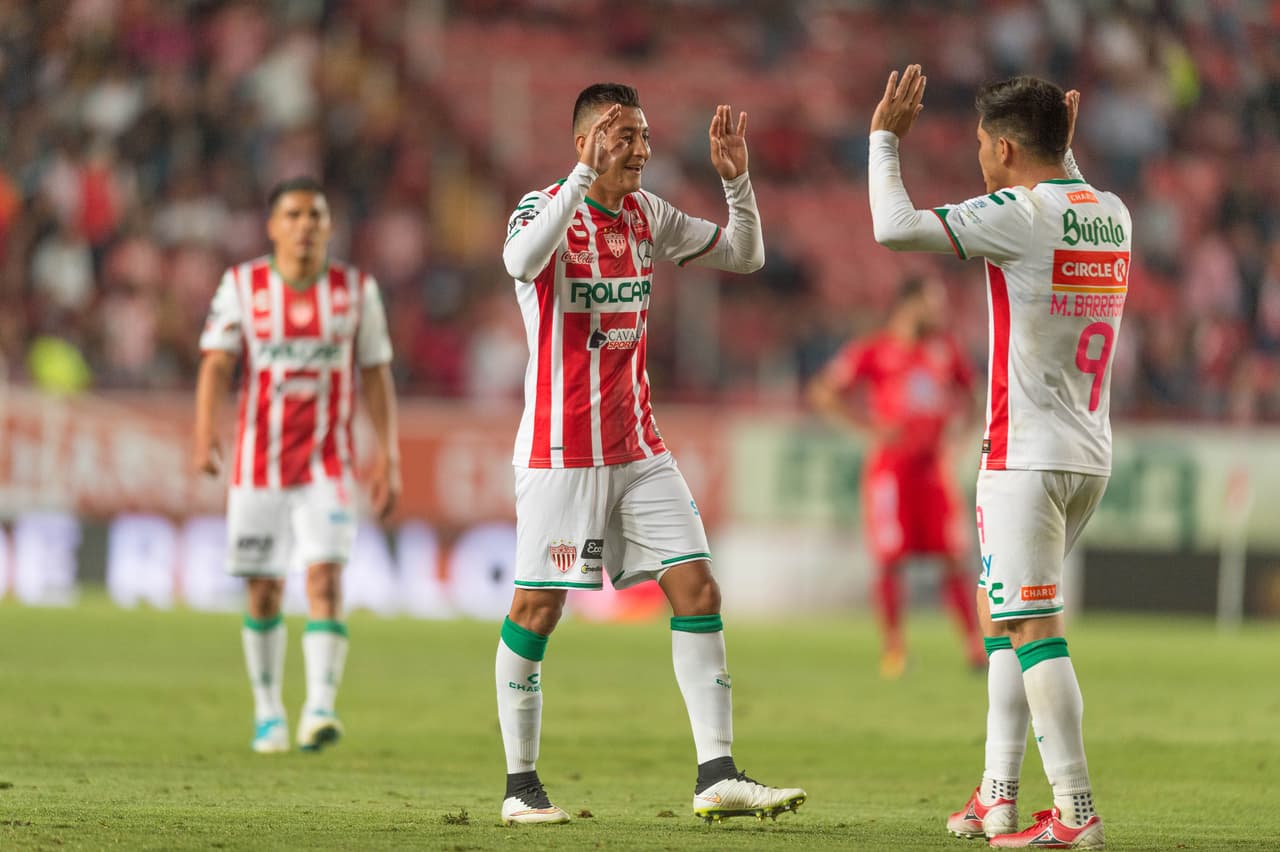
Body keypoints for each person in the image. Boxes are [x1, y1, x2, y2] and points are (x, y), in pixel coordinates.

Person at [495, 83, 806, 826]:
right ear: (583, 144)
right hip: (562, 451)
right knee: (538, 610)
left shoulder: (645, 214)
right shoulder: (543, 209)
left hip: (639, 446)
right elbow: (516, 262)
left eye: (641, 135)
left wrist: (737, 180)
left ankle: (717, 773)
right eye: (622, 136)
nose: (640, 149)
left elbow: (747, 255)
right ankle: (520, 786)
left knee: (698, 591)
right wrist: (580, 178)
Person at [868, 67, 1129, 849]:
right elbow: (1068, 190)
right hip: (1088, 454)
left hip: (1024, 459)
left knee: (1033, 625)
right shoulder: (1111, 213)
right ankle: (997, 794)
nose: (979, 156)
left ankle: (1076, 811)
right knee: (1008, 617)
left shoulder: (1015, 214)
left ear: (1008, 149)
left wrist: (884, 138)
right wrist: (1066, 149)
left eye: (984, 144)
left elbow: (893, 227)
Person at [192, 176, 401, 755]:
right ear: (272, 225)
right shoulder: (243, 284)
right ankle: (267, 713)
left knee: (325, 577)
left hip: (328, 463)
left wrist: (390, 454)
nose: (305, 225)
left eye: (316, 215)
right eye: (293, 215)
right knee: (262, 591)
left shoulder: (357, 291)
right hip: (258, 465)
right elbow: (215, 362)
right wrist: (204, 430)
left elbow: (376, 373)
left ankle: (320, 707)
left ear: (330, 225)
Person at [807, 275, 985, 679]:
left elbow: (974, 395)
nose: (940, 310)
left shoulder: (946, 350)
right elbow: (823, 391)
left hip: (933, 470)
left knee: (955, 557)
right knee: (891, 560)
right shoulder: (874, 350)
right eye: (933, 302)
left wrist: (958, 439)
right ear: (909, 305)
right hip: (891, 471)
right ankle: (894, 648)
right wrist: (867, 429)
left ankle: (974, 645)